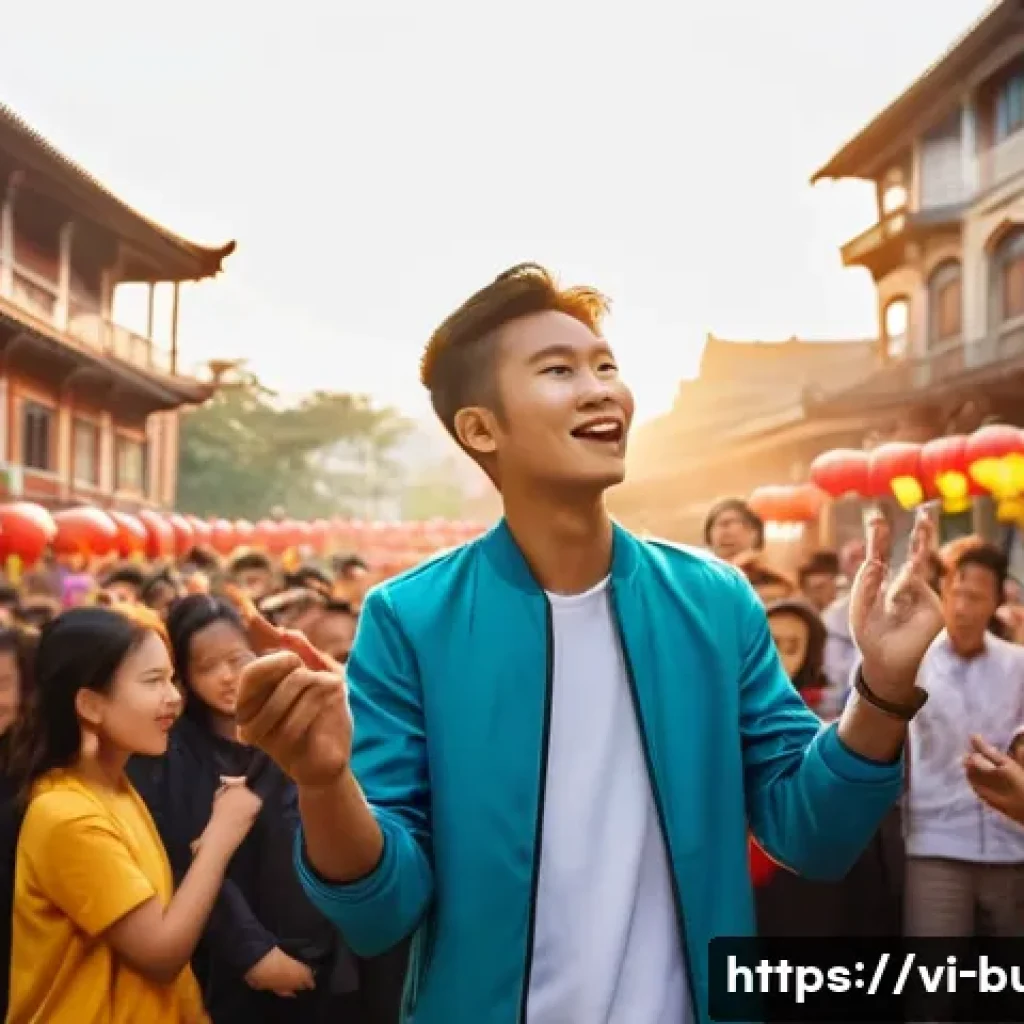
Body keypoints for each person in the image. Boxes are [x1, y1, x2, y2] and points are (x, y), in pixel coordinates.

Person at [235, 263, 944, 1024]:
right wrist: (324, 781)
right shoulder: (411, 620)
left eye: (606, 365)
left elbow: (812, 831)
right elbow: (381, 910)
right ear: (481, 428)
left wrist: (884, 690)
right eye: (559, 370)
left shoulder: (712, 601)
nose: (602, 387)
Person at [5, 607, 261, 1023]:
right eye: (152, 682)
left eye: (172, 679)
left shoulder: (114, 787)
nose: (174, 697)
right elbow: (160, 954)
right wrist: (219, 837)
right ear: (91, 704)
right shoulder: (68, 815)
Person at [128, 595, 351, 1023]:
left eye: (237, 658)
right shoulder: (174, 755)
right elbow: (187, 856)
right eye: (208, 668)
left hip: (330, 956)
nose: (228, 677)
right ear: (186, 679)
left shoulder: (292, 726)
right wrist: (254, 954)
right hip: (241, 974)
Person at [753, 600, 904, 937]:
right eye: (770, 642)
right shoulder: (723, 707)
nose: (779, 656)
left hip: (811, 885)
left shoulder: (839, 713)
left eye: (792, 646)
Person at [702, 497, 763, 563]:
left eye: (728, 523)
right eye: (719, 524)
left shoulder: (767, 569)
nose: (724, 533)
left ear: (755, 533)